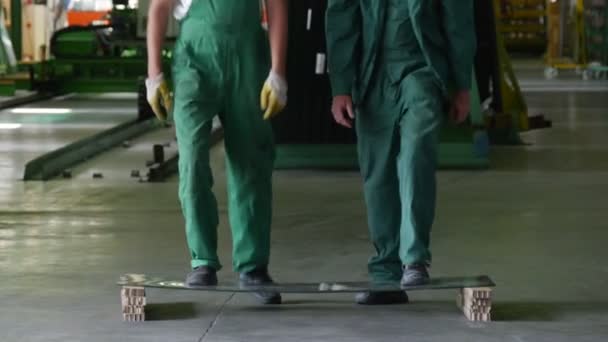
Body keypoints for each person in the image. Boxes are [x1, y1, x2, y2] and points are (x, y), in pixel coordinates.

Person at [326, 0, 476, 305]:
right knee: (377, 170)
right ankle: (385, 274)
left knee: (415, 153)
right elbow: (340, 18)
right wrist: (340, 85)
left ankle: (415, 259)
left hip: (421, 69)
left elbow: (457, 17)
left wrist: (462, 84)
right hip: (371, 73)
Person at [146, 0, 288, 304]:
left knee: (251, 163)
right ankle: (203, 261)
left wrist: (277, 72)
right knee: (192, 160)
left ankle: (253, 266)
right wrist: (154, 75)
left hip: (248, 61)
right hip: (195, 64)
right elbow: (159, 8)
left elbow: (276, 6)